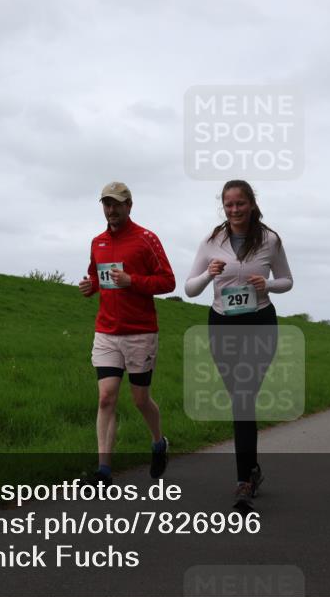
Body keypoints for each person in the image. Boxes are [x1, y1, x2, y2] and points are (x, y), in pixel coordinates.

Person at [185, 180, 293, 512]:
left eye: (240, 204)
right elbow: (189, 288)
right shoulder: (211, 241)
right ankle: (252, 470)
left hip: (260, 323)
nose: (234, 210)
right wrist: (208, 276)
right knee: (239, 400)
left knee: (244, 397)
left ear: (251, 204)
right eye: (228, 204)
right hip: (223, 324)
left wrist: (269, 284)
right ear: (223, 206)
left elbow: (287, 280)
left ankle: (243, 481)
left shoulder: (270, 240)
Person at [79, 182, 175, 486]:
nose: (111, 210)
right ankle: (103, 471)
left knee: (139, 399)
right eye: (106, 204)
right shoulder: (97, 242)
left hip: (140, 333)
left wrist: (132, 280)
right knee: (106, 398)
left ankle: (159, 442)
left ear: (129, 205)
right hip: (106, 331)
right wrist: (90, 286)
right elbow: (96, 276)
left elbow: (168, 281)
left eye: (117, 204)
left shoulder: (146, 239)